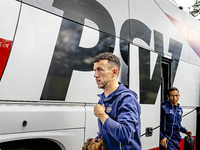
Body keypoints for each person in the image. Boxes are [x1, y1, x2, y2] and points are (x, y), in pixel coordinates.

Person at [87, 52, 141, 150]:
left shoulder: (127, 99)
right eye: (95, 70)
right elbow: (109, 132)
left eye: (100, 70)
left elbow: (124, 135)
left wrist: (101, 115)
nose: (95, 75)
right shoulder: (102, 100)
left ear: (114, 72)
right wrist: (98, 139)